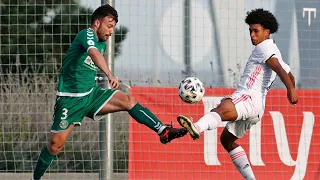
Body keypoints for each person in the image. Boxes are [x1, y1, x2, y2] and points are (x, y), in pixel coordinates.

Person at [32, 4, 187, 180]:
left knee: (128, 101)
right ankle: (35, 178)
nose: (111, 31)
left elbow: (95, 55)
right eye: (109, 26)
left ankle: (163, 131)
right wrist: (109, 74)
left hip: (91, 95)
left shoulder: (102, 42)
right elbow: (93, 53)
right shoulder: (87, 34)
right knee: (54, 146)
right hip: (69, 99)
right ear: (97, 22)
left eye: (113, 27)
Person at [177, 8, 298, 180]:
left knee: (221, 109)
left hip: (248, 97)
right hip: (257, 109)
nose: (252, 35)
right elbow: (288, 73)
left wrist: (291, 90)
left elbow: (278, 68)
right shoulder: (273, 48)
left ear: (267, 31)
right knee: (227, 139)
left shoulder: (264, 48)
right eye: (250, 31)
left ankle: (197, 127)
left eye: (256, 31)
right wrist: (291, 86)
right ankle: (251, 178)